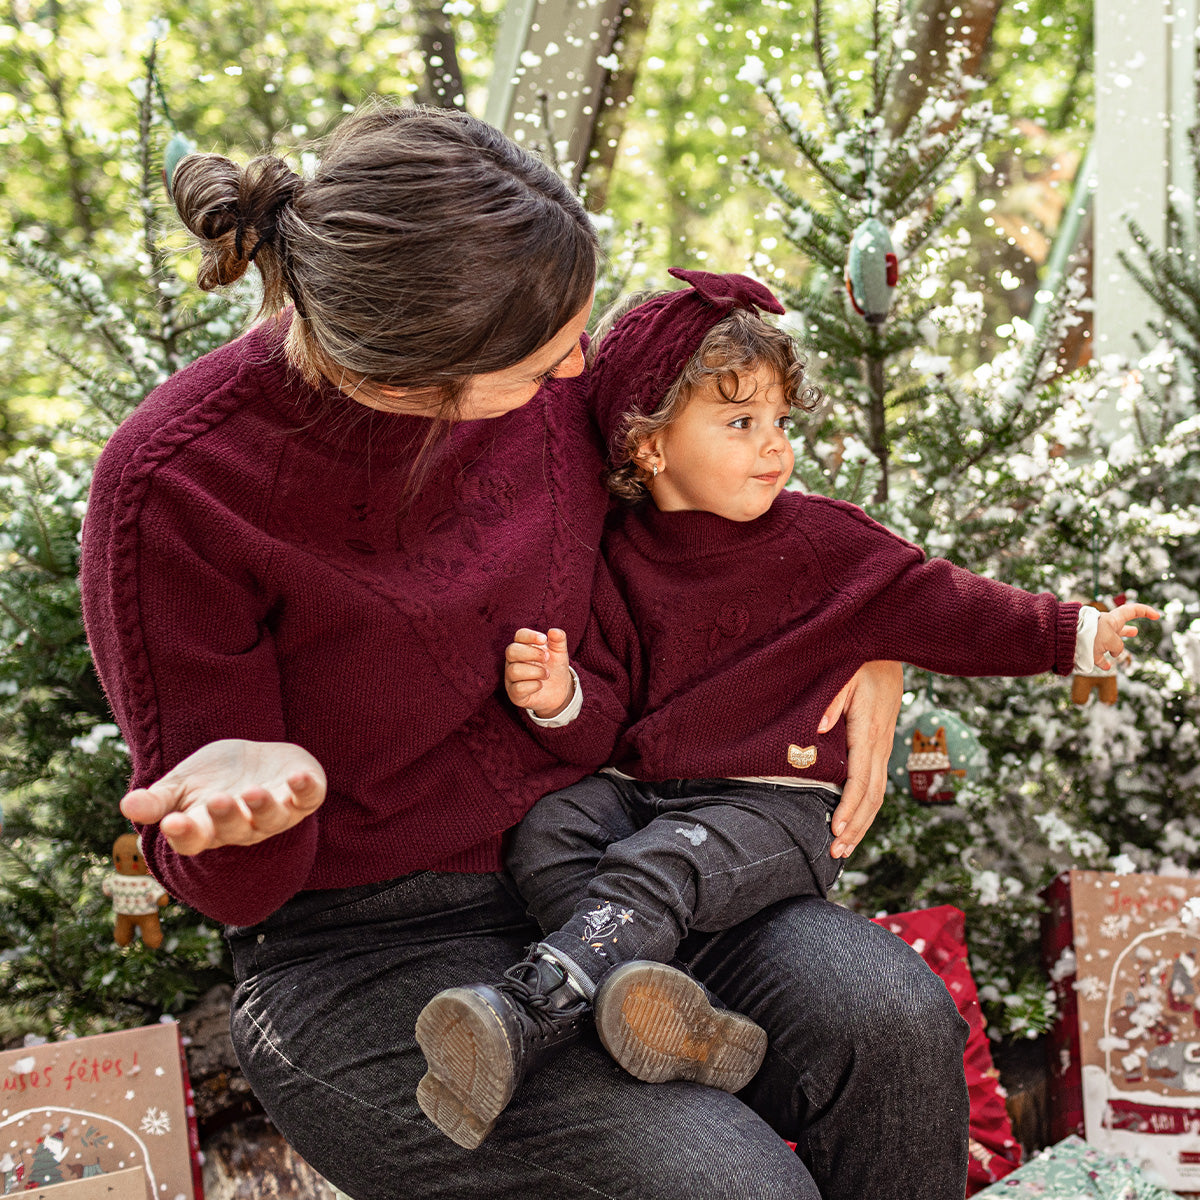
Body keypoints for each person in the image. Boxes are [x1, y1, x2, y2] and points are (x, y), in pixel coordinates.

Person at [81, 100, 966, 1200]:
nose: (580, 374)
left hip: (609, 860)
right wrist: (256, 813)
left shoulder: (544, 369)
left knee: (890, 1022)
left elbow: (715, 491)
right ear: (417, 378)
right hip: (365, 956)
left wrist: (867, 632)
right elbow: (227, 882)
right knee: (723, 1187)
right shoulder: (176, 488)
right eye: (547, 362)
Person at [415, 268, 1159, 1151]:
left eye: (779, 422)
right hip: (642, 788)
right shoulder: (614, 556)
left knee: (665, 861)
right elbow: (604, 719)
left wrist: (1074, 633)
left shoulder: (827, 544)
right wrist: (560, 697)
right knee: (551, 829)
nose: (775, 447)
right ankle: (651, 1008)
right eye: (740, 423)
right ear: (648, 444)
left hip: (773, 804)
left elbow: (948, 605)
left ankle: (533, 1006)